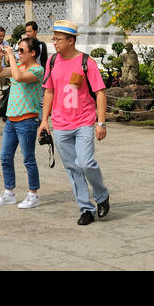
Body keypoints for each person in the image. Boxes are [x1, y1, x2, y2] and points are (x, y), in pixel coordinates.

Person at [38, 21, 110, 225]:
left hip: (83, 122)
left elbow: (100, 93)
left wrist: (101, 122)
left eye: (58, 39)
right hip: (60, 125)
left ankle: (102, 195)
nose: (55, 43)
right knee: (72, 167)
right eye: (53, 38)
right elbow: (49, 91)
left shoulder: (87, 62)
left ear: (71, 40)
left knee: (85, 162)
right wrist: (44, 120)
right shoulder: (52, 62)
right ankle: (86, 209)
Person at [0, 33, 45, 208]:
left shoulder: (37, 70)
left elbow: (19, 77)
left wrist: (11, 57)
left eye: (22, 50)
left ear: (33, 53)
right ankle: (8, 192)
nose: (19, 53)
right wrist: (0, 58)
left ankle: (33, 194)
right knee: (5, 157)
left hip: (27, 120)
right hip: (11, 120)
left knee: (28, 158)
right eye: (18, 50)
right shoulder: (19, 66)